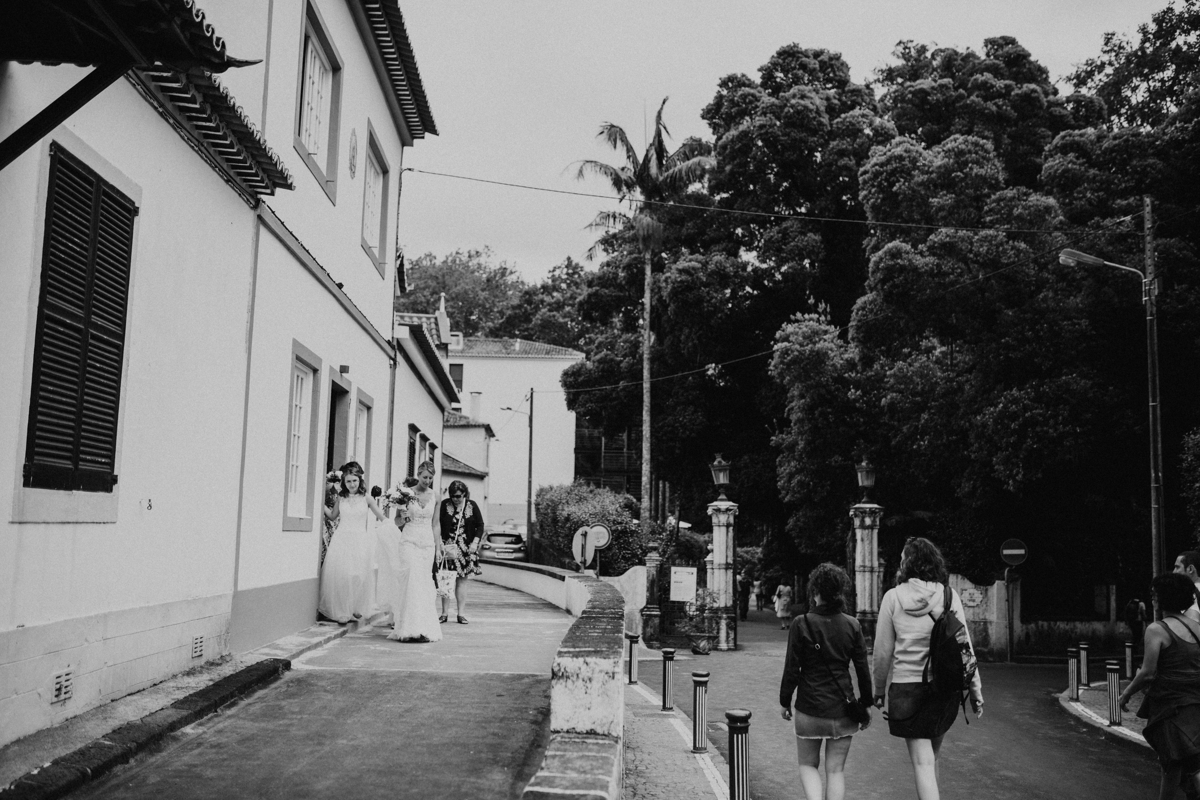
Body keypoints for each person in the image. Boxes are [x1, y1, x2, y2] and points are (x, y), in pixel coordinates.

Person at [872, 537, 983, 800]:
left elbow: (882, 652)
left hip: (906, 690)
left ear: (906, 564)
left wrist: (878, 689)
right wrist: (975, 689)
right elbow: (964, 648)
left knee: (924, 763)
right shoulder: (949, 596)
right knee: (929, 760)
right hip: (944, 689)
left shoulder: (893, 598)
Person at [779, 563, 872, 800]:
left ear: (815, 592)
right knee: (836, 770)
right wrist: (866, 703)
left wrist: (785, 701)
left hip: (809, 708)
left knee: (808, 766)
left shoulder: (801, 623)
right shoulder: (852, 624)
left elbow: (792, 667)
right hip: (843, 710)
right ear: (839, 592)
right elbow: (862, 669)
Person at [1119, 573, 1200, 800]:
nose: (1152, 599)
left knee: (1189, 764)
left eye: (1155, 595)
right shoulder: (1196, 626)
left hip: (1170, 707)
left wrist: (1125, 694)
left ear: (1164, 598)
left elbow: (1147, 672)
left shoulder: (1157, 629)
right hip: (1195, 703)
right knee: (1172, 762)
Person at [376, 460, 444, 643]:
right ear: (418, 475)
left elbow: (436, 524)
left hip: (427, 543)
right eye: (424, 477)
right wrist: (403, 518)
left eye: (431, 478)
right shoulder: (406, 494)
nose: (428, 481)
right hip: (409, 541)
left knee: (423, 584)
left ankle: (423, 628)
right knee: (411, 581)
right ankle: (408, 629)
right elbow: (397, 522)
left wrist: (438, 547)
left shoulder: (436, 497)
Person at [318, 462, 387, 624]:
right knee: (342, 575)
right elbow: (333, 516)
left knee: (357, 575)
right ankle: (343, 610)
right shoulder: (341, 498)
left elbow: (381, 517)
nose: (352, 484)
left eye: (354, 480)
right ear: (344, 482)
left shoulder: (367, 499)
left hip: (360, 540)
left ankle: (355, 606)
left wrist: (390, 528)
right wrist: (320, 504)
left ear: (360, 480)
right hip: (342, 539)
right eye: (348, 481)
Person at [438, 480, 484, 624]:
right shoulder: (444, 505)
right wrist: (439, 541)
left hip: (466, 549)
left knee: (462, 581)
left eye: (458, 496)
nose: (455, 499)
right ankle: (444, 613)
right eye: (453, 496)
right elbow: (436, 523)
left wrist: (475, 542)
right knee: (446, 580)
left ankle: (461, 613)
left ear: (464, 494)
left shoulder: (472, 505)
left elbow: (480, 525)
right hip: (448, 548)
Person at [1174, 551, 1200, 622]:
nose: (1174, 572)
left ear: (1190, 569)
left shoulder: (1191, 593)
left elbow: (1193, 620)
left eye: (1177, 567)